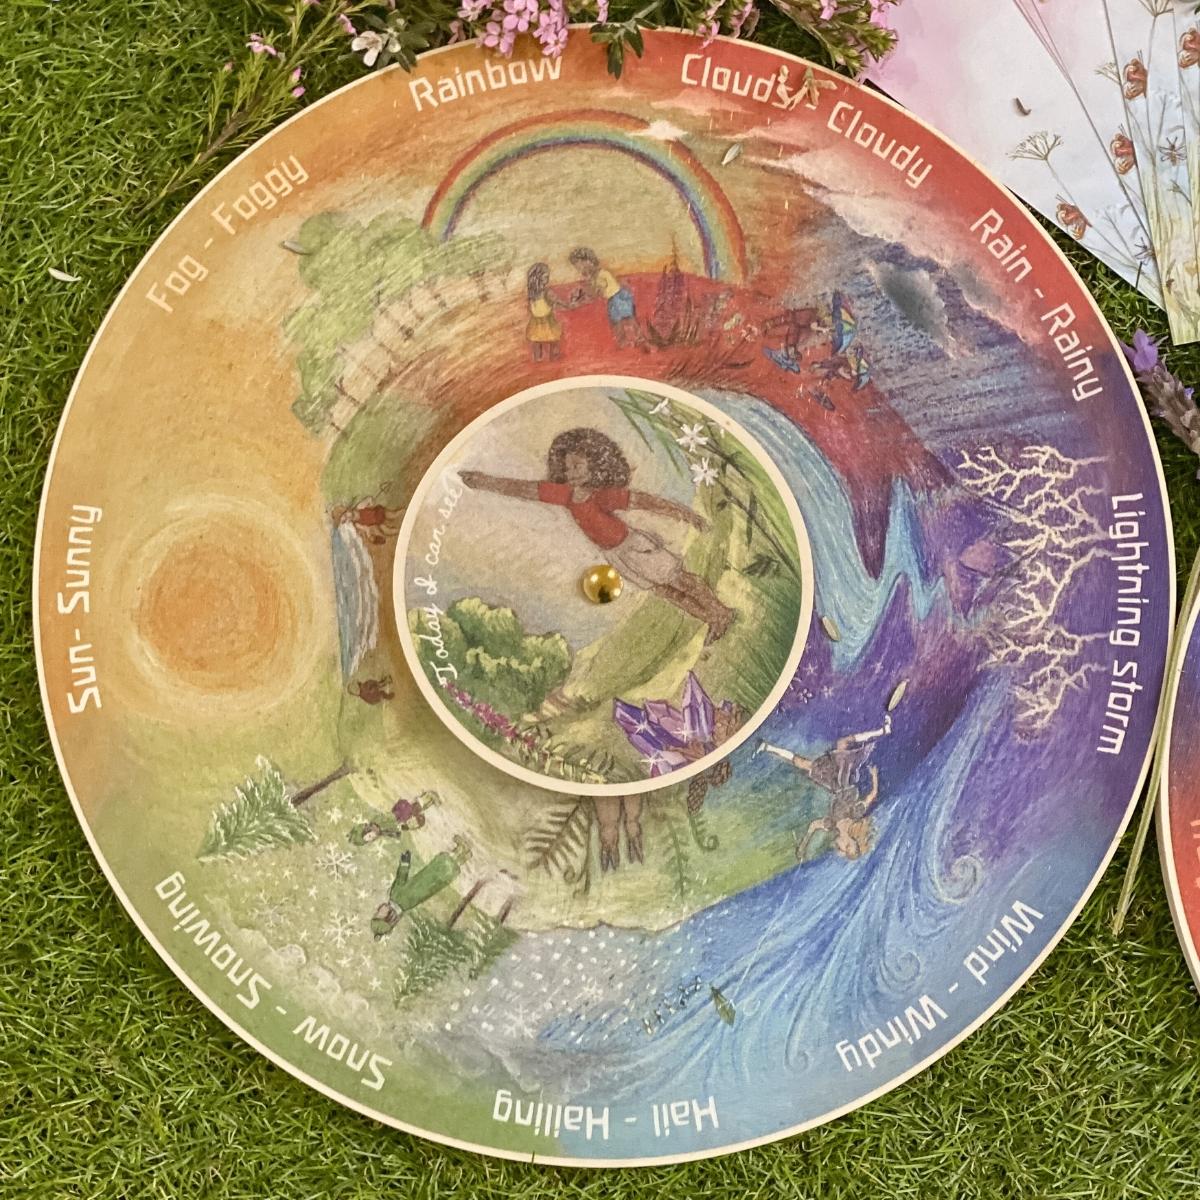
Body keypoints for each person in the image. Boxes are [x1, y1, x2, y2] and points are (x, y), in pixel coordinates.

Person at [460, 427, 734, 642]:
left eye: (577, 466)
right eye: (567, 468)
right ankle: (711, 619)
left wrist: (686, 514)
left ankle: (720, 611)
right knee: (664, 591)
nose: (570, 473)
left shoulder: (602, 496)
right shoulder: (565, 495)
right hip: (615, 556)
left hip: (634, 546)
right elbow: (526, 490)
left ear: (594, 467)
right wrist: (484, 482)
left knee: (679, 579)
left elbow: (647, 502)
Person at [755, 715, 891, 861]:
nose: (840, 848)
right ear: (848, 843)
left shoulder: (831, 824)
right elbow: (872, 795)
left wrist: (803, 845)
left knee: (806, 763)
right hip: (845, 780)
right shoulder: (853, 817)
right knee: (841, 744)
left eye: (844, 850)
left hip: (833, 784)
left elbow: (814, 825)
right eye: (846, 847)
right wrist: (874, 776)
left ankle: (767, 747)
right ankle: (883, 731)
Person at [369, 836, 472, 938]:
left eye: (377, 913)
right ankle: (460, 849)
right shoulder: (395, 896)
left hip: (429, 887)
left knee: (442, 873)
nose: (379, 910)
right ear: (388, 917)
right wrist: (405, 863)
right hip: (424, 880)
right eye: (380, 914)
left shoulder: (403, 908)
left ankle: (464, 857)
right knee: (440, 865)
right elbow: (401, 878)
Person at [568, 246, 643, 348]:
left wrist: (581, 298)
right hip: (612, 300)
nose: (580, 269)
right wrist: (580, 297)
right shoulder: (594, 277)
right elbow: (595, 293)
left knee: (628, 318)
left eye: (580, 265)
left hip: (619, 297)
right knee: (616, 322)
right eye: (577, 267)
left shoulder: (601, 274)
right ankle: (624, 342)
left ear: (589, 261)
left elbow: (597, 292)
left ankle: (639, 338)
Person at [348, 791, 440, 846]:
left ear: (367, 829)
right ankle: (429, 802)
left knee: (416, 808)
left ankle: (429, 796)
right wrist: (398, 830)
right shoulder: (380, 831)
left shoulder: (377, 822)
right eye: (370, 839)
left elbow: (390, 817)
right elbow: (391, 832)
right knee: (416, 818)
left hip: (401, 812)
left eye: (369, 836)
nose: (372, 837)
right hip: (401, 819)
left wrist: (398, 820)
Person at [525, 262, 564, 361]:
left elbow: (556, 301)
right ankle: (542, 360)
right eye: (546, 277)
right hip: (540, 321)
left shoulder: (541, 293)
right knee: (541, 341)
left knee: (549, 340)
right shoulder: (538, 293)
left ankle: (550, 360)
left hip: (544, 320)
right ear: (538, 278)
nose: (548, 279)